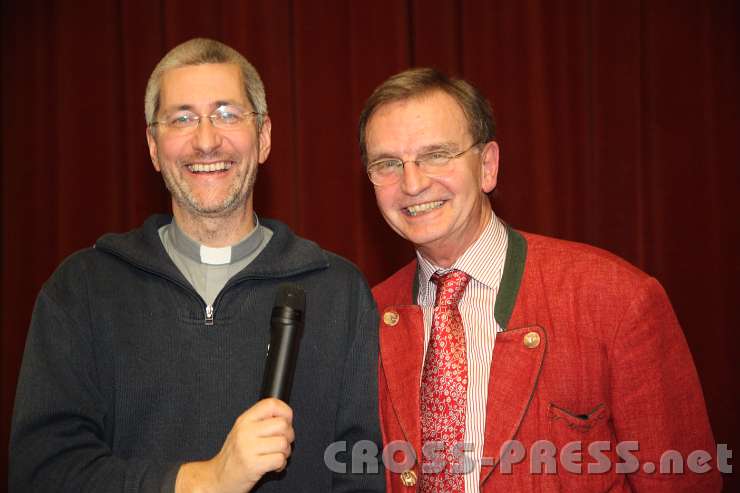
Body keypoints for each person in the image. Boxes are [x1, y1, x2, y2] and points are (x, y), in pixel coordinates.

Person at [10, 38, 382, 493]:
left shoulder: (339, 292)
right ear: (152, 145)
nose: (206, 140)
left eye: (227, 114)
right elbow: (43, 473)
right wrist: (205, 480)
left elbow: (363, 474)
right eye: (182, 118)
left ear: (263, 137)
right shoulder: (82, 290)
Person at [359, 68, 722, 492]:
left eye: (437, 155)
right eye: (387, 164)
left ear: (488, 166)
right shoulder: (366, 317)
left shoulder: (616, 299)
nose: (413, 182)